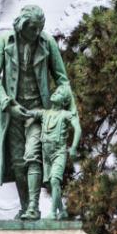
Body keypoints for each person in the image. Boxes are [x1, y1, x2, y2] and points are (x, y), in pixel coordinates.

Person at [0, 4, 74, 221]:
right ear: (22, 25)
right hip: (13, 111)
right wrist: (7, 103)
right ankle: (26, 207)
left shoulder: (47, 43)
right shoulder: (4, 43)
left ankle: (34, 206)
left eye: (39, 29)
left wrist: (66, 108)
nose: (36, 33)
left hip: (38, 112)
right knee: (18, 162)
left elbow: (62, 79)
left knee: (32, 156)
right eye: (33, 29)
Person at [30, 84, 81, 220]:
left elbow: (78, 128)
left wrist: (74, 147)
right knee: (49, 184)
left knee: (54, 181)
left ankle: (53, 213)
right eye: (56, 91)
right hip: (45, 154)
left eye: (59, 93)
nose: (54, 93)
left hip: (59, 152)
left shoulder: (65, 114)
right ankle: (62, 211)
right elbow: (28, 113)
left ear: (64, 101)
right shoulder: (44, 113)